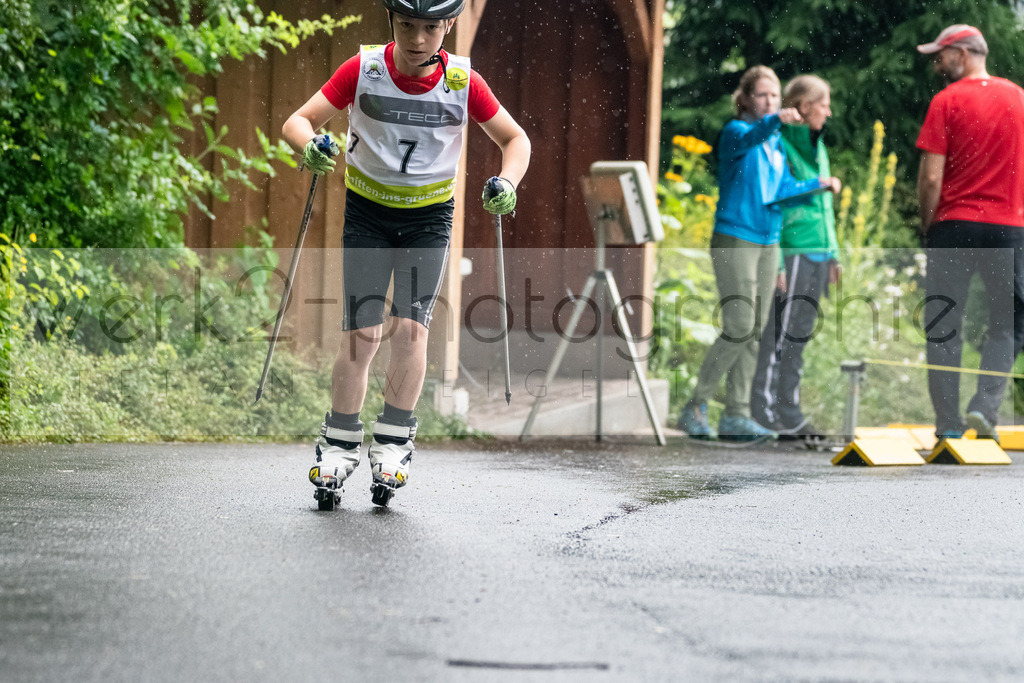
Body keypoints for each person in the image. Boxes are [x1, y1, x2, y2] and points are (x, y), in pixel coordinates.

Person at [282, 0, 530, 506]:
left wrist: (508, 181)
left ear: (449, 25)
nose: (417, 39)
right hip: (368, 215)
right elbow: (298, 121)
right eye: (407, 25)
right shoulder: (365, 69)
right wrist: (308, 145)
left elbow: (515, 139)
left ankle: (393, 442)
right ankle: (340, 443)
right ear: (391, 21)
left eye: (430, 27)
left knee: (412, 329)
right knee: (362, 332)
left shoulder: (463, 81)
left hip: (428, 219)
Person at [677, 65, 840, 441]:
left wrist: (817, 184)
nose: (769, 101)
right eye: (762, 95)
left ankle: (735, 415)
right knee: (738, 324)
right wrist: (776, 120)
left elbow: (780, 191)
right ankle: (695, 405)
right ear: (746, 99)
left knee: (755, 330)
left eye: (774, 95)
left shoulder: (774, 143)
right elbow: (753, 135)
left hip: (769, 243)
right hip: (736, 237)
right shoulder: (737, 132)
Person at [916, 24, 1024, 442]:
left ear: (962, 53)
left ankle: (948, 423)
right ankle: (985, 406)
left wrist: (929, 224)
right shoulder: (1019, 99)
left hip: (954, 225)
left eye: (941, 55)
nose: (937, 64)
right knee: (1009, 322)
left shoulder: (946, 100)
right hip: (1008, 229)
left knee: (944, 321)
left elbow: (931, 177)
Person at [750, 75, 841, 440]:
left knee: (800, 336)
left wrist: (833, 254)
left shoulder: (820, 146)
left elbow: (825, 209)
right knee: (779, 334)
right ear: (804, 106)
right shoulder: (781, 143)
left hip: (819, 252)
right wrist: (779, 262)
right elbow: (777, 198)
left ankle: (790, 411)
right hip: (794, 249)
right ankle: (764, 411)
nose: (829, 112)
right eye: (823, 104)